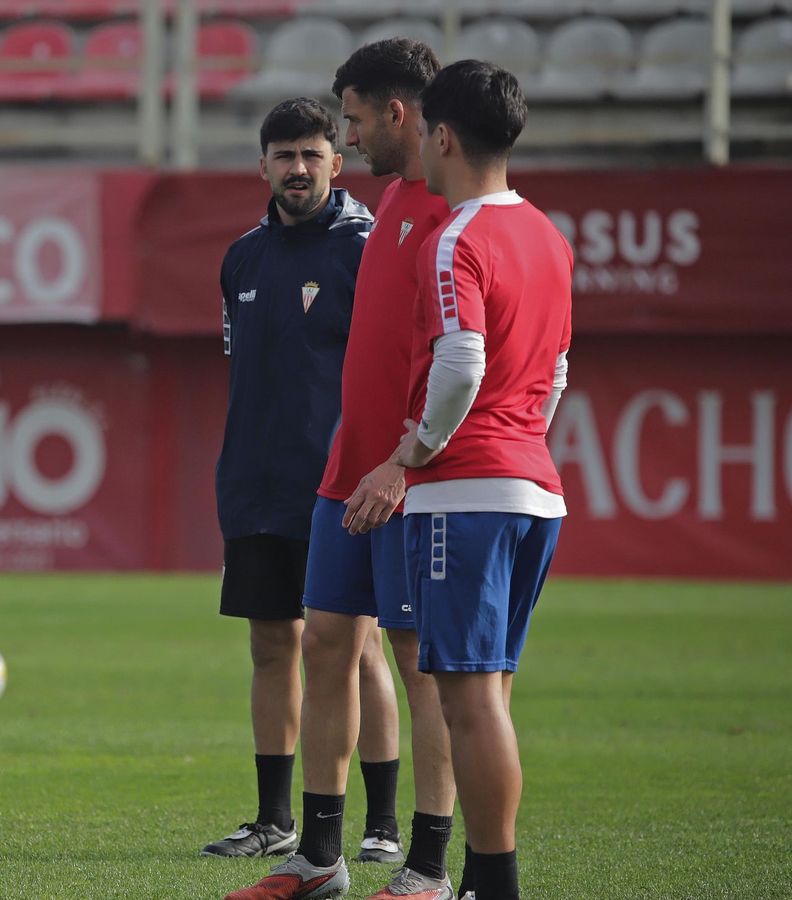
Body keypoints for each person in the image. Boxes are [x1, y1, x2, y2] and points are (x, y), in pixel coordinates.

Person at [224, 39, 462, 900]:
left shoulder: (415, 220)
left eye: (344, 129)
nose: (338, 144)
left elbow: (458, 355)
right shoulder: (256, 252)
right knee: (307, 645)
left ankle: (411, 851)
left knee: (399, 657)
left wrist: (405, 456)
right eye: (284, 154)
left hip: (391, 477)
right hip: (306, 480)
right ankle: (305, 848)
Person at [392, 60, 573, 900]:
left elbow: (460, 361)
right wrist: (520, 437)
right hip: (533, 487)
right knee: (487, 696)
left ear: (444, 136)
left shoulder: (456, 235)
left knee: (467, 701)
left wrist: (417, 449)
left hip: (465, 492)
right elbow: (559, 370)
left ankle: (492, 883)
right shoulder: (547, 235)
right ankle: (485, 878)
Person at [205, 97, 401, 862]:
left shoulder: (366, 246)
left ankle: (382, 824)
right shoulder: (241, 257)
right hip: (256, 482)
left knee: (360, 651)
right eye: (283, 154)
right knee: (269, 647)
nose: (297, 167)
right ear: (262, 164)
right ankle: (273, 820)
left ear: (336, 161)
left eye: (311, 153)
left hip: (343, 485)